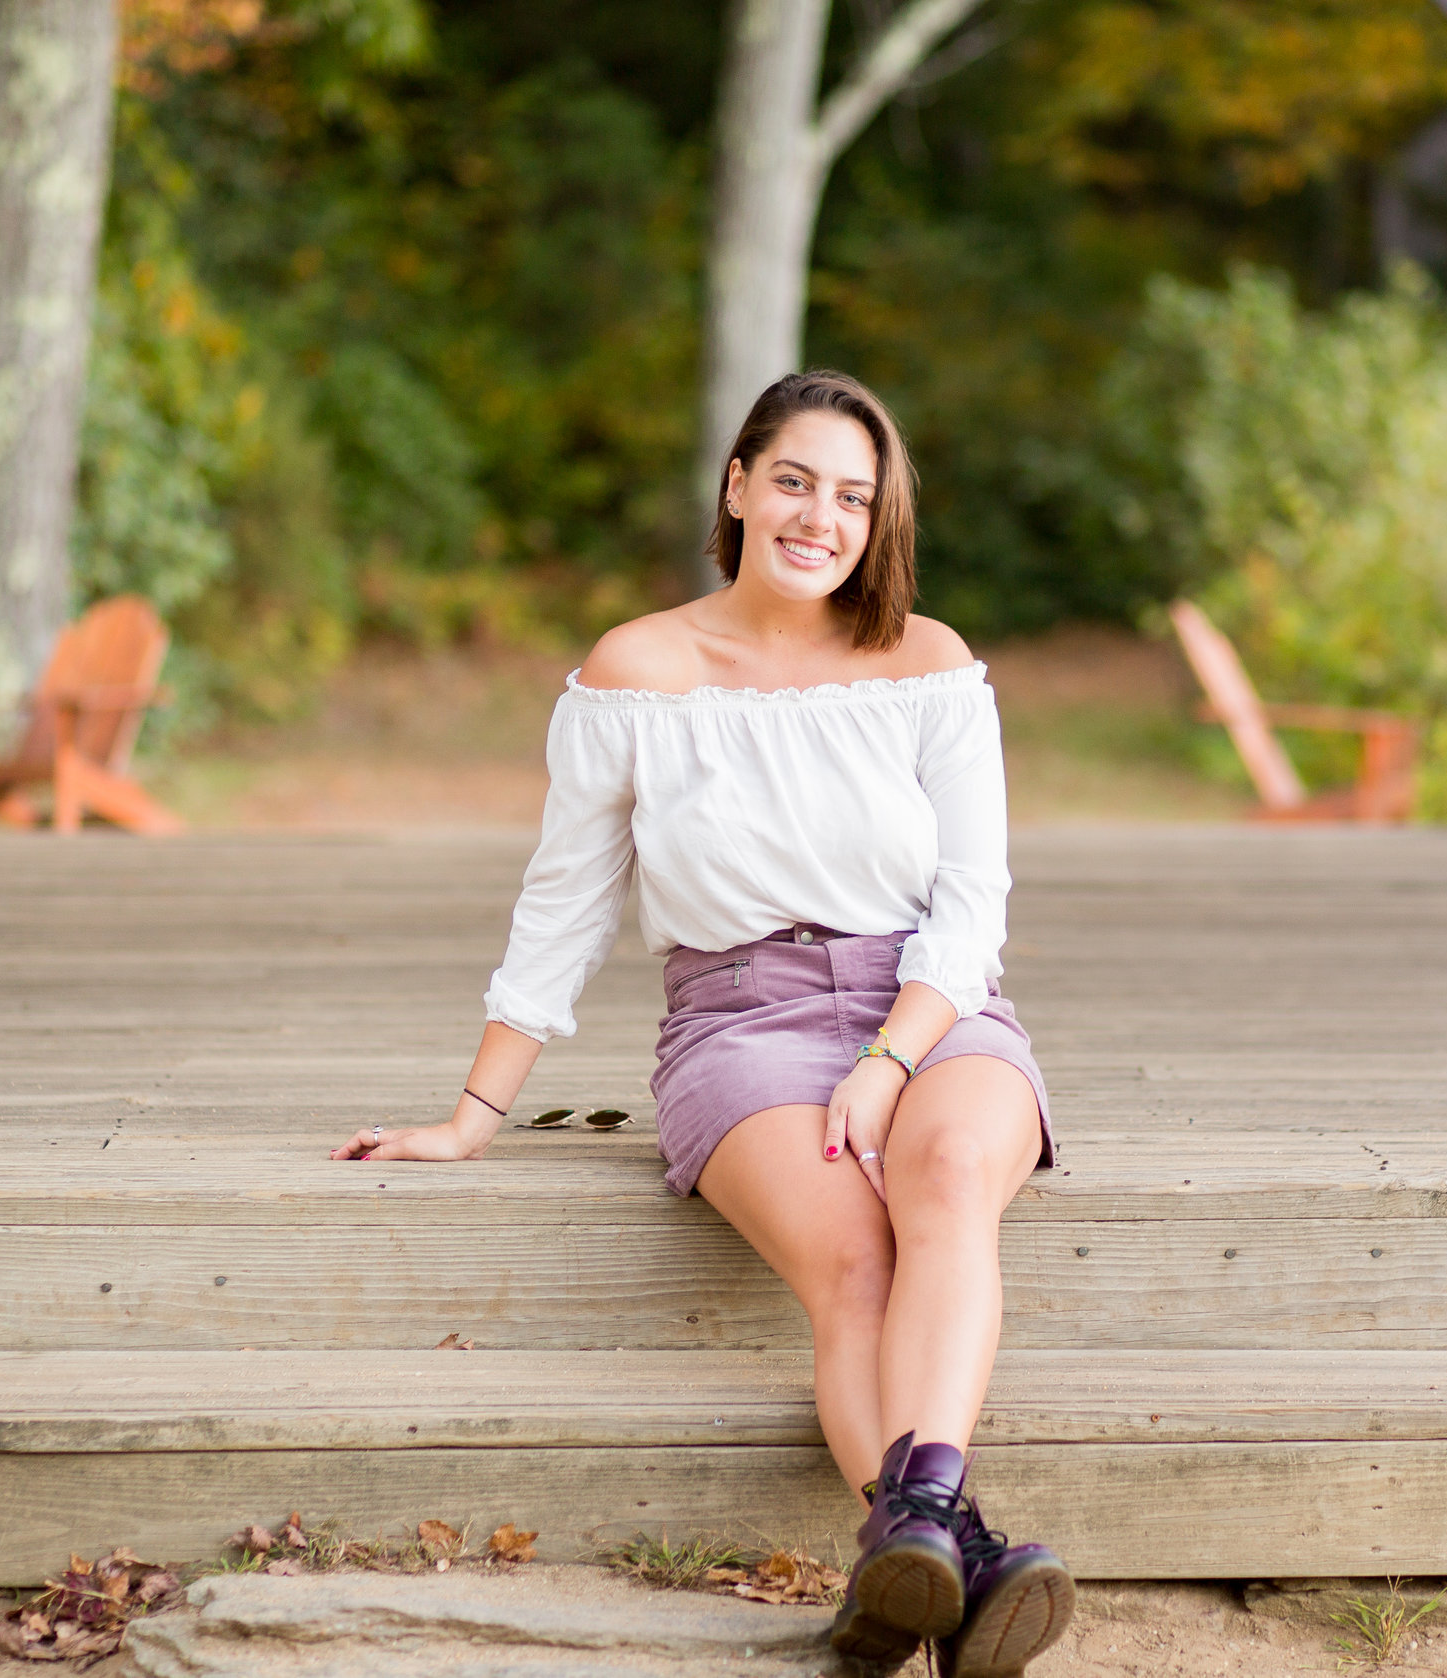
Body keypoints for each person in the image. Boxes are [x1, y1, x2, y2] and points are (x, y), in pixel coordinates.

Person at [332, 370, 1073, 1677]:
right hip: (742, 1021)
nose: (819, 517)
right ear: (737, 486)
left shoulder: (931, 663)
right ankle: (956, 1546)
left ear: (879, 518)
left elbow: (973, 906)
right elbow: (567, 899)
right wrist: (472, 1115)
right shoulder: (641, 670)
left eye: (853, 495)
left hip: (935, 1003)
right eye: (793, 480)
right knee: (852, 1259)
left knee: (948, 1174)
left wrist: (891, 1058)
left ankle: (919, 1535)